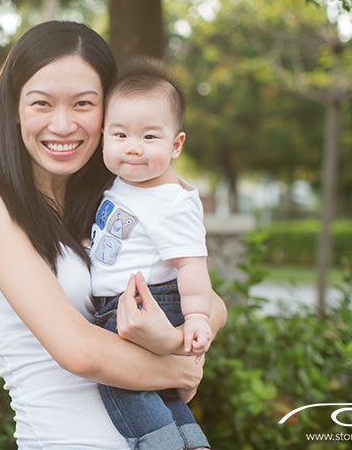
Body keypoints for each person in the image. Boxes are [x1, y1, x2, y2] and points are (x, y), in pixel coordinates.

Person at [0, 21, 226, 449]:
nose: (62, 125)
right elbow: (79, 351)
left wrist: (173, 338)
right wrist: (179, 368)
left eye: (83, 103)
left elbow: (213, 304)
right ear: (15, 108)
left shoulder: (111, 202)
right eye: (41, 103)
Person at [89, 57, 212, 450]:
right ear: (104, 136)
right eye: (120, 135)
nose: (133, 149)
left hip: (149, 304)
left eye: (150, 137)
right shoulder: (125, 183)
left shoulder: (171, 201)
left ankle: (159, 444)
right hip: (127, 303)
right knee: (159, 389)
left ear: (176, 144)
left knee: (121, 381)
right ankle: (191, 441)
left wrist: (195, 318)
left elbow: (192, 265)